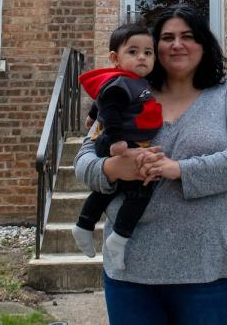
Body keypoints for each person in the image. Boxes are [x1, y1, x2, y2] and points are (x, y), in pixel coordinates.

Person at [74, 4, 227, 325]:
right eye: (167, 37)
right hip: (131, 270)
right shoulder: (127, 94)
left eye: (188, 36)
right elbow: (84, 159)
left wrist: (179, 170)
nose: (177, 44)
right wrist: (112, 170)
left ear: (204, 45)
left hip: (206, 268)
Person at [72, 22, 163, 268]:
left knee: (108, 189)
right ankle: (120, 237)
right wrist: (116, 141)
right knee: (141, 190)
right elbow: (111, 106)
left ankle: (84, 224)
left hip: (123, 140)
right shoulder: (124, 82)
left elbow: (104, 98)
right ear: (115, 57)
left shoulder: (132, 81)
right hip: (117, 142)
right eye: (132, 52)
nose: (142, 58)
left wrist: (92, 114)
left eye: (148, 52)